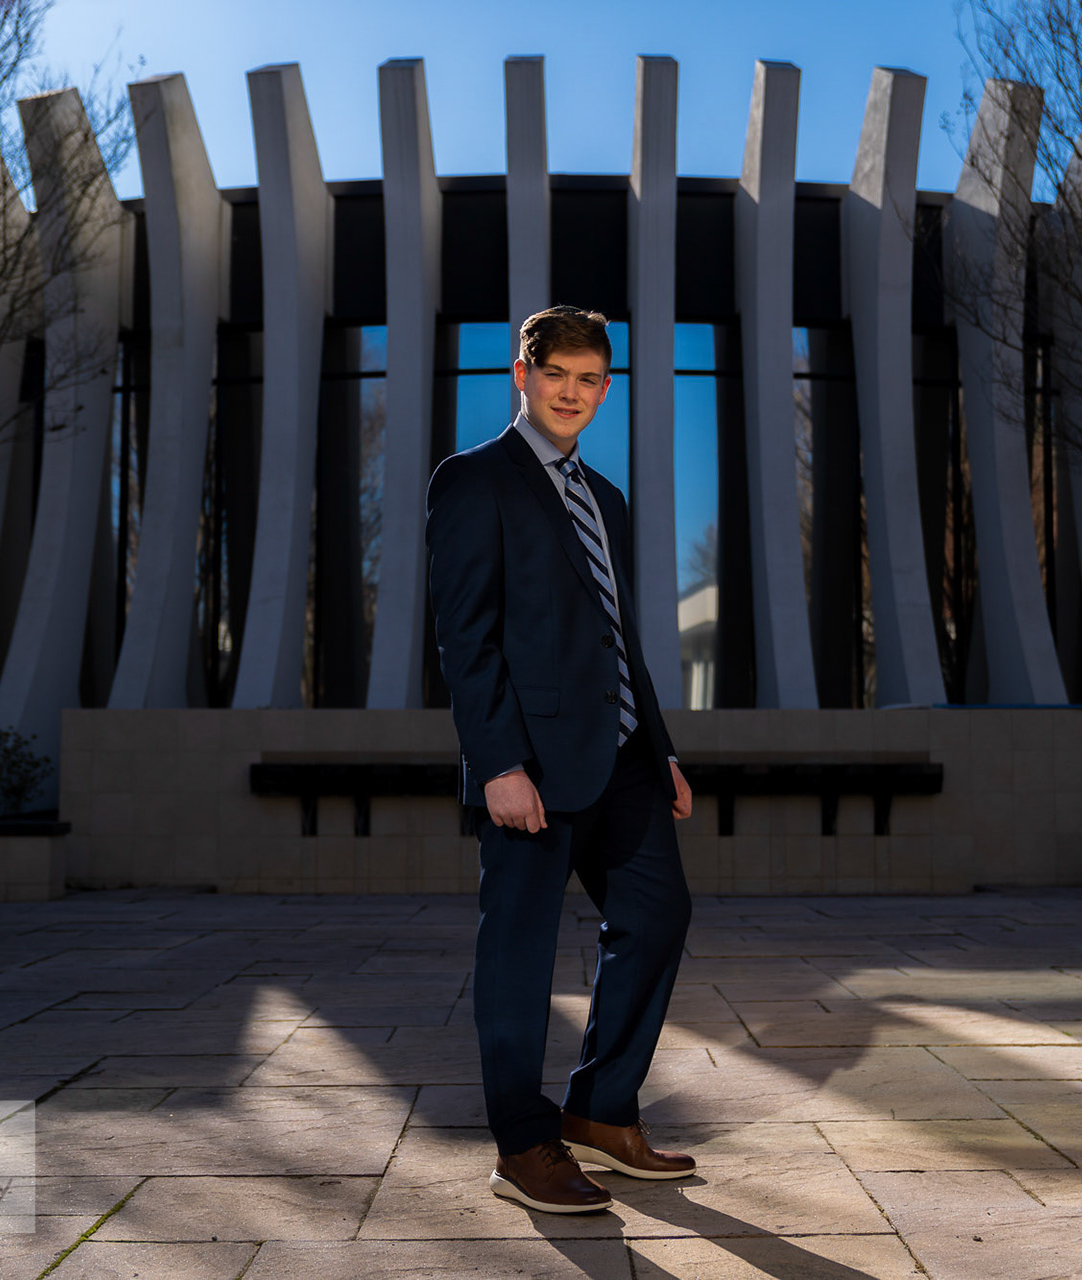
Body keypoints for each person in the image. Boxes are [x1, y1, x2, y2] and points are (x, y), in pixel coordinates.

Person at [425, 305, 696, 1214]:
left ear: (605, 388)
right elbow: (466, 640)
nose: (572, 393)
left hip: (621, 757)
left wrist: (660, 749)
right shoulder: (474, 481)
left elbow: (621, 640)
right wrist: (497, 762)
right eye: (556, 376)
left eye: (589, 380)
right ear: (523, 375)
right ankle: (523, 1145)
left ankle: (600, 1111)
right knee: (520, 956)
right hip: (529, 765)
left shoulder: (606, 499)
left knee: (658, 918)